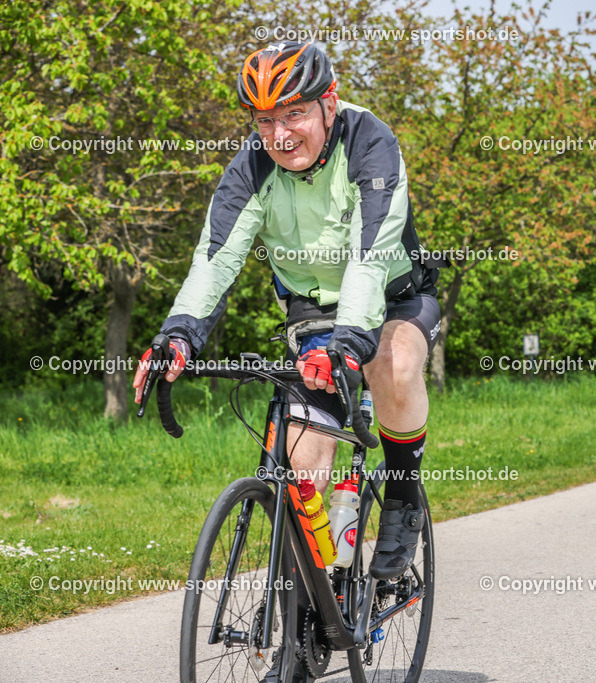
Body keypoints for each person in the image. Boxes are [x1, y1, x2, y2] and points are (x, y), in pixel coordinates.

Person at [132, 41, 442, 582]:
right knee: (303, 471)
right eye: (265, 120)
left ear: (329, 104)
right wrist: (178, 336)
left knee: (392, 363)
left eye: (294, 113)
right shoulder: (253, 167)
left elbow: (369, 258)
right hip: (312, 314)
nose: (280, 134)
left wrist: (350, 345)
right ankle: (307, 615)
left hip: (393, 297)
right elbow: (216, 258)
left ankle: (402, 497)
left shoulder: (371, 142)